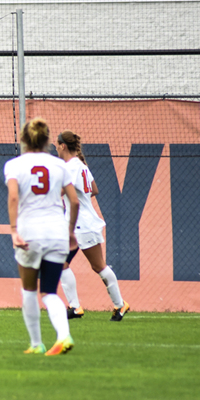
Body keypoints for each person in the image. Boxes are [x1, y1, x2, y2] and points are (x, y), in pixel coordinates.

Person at [4, 118, 79, 356]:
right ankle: (63, 335)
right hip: (57, 233)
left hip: (30, 234)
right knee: (49, 291)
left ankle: (37, 344)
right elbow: (74, 201)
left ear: (24, 140)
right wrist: (69, 231)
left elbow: (14, 198)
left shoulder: (14, 165)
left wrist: (14, 230)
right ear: (48, 141)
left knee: (29, 290)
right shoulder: (60, 166)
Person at [56, 130, 130, 322]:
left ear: (63, 146)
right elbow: (94, 189)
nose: (56, 148)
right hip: (81, 223)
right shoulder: (80, 165)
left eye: (57, 145)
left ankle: (119, 305)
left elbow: (63, 190)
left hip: (81, 225)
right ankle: (75, 307)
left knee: (98, 266)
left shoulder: (71, 166)